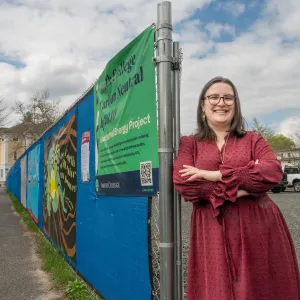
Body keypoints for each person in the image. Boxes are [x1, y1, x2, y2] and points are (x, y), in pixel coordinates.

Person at [173, 76, 300, 300]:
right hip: (211, 228)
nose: (221, 102)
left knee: (262, 288)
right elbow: (186, 184)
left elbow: (271, 172)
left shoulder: (253, 140)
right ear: (203, 104)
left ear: (236, 104)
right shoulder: (189, 144)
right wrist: (247, 188)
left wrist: (215, 174)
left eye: (228, 97)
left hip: (258, 226)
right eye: (213, 97)